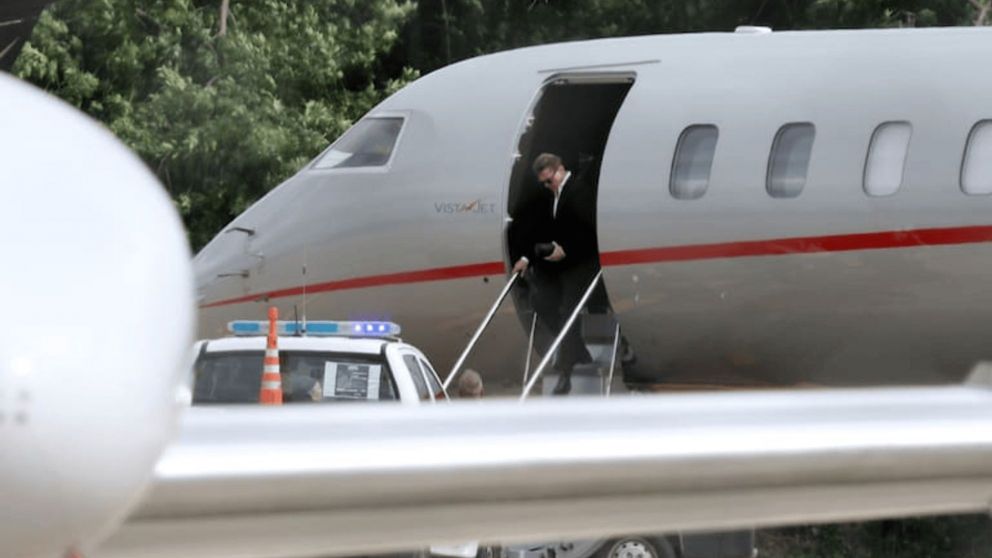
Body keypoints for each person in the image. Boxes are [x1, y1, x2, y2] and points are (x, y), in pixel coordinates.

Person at [509, 153, 598, 395]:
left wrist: (565, 249)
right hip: (560, 267)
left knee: (568, 312)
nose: (548, 186)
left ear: (560, 170)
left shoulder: (579, 192)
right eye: (544, 183)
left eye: (550, 181)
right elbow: (542, 229)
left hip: (580, 266)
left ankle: (565, 372)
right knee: (541, 301)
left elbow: (588, 232)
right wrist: (527, 258)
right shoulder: (553, 197)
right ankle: (578, 350)